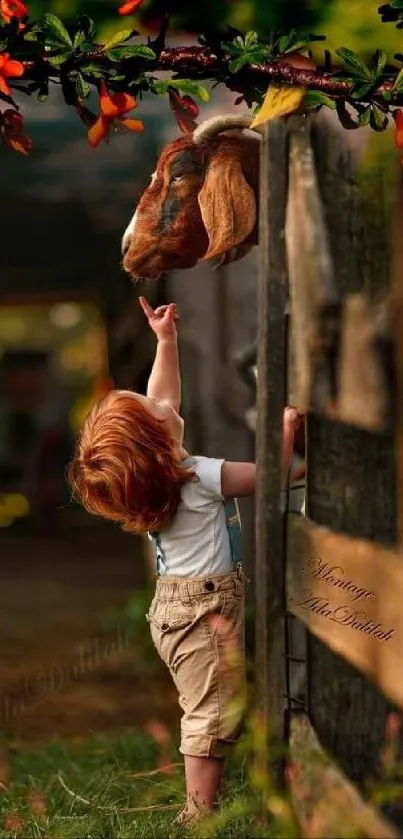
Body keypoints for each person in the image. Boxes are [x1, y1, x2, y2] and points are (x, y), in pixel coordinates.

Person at [67, 297, 301, 826]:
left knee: (210, 701)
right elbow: (273, 475)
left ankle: (209, 800)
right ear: (161, 446)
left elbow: (162, 398)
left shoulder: (157, 484)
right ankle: (199, 815)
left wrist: (165, 341)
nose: (162, 403)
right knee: (209, 713)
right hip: (203, 612)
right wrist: (285, 434)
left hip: (173, 609)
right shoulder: (199, 476)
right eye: (154, 413)